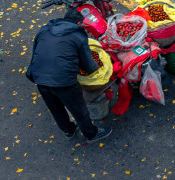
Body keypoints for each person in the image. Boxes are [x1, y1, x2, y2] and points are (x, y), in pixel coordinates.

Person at [26, 9, 112, 142]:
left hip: (39, 78)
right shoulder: (77, 33)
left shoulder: (45, 30)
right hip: (63, 81)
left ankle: (68, 130)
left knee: (56, 108)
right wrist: (94, 66)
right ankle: (91, 134)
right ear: (79, 23)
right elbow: (89, 66)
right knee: (79, 109)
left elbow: (36, 54)